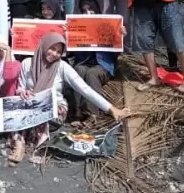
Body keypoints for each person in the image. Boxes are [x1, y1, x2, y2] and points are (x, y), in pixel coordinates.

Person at [16, 34, 130, 164]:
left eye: (59, 52)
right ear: (44, 45)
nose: (55, 54)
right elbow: (20, 88)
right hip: (30, 105)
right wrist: (23, 92)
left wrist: (112, 109)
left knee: (40, 113)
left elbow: (85, 90)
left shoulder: (62, 67)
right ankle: (20, 143)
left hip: (55, 110)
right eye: (52, 49)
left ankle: (41, 145)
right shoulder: (27, 63)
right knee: (17, 112)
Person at [67, 0, 119, 126]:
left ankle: (92, 114)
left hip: (102, 66)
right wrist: (69, 35)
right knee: (79, 70)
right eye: (84, 11)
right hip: (82, 63)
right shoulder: (78, 26)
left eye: (91, 10)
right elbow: (71, 53)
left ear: (96, 10)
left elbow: (117, 52)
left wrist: (119, 36)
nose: (88, 13)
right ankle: (77, 111)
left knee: (92, 73)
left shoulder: (106, 25)